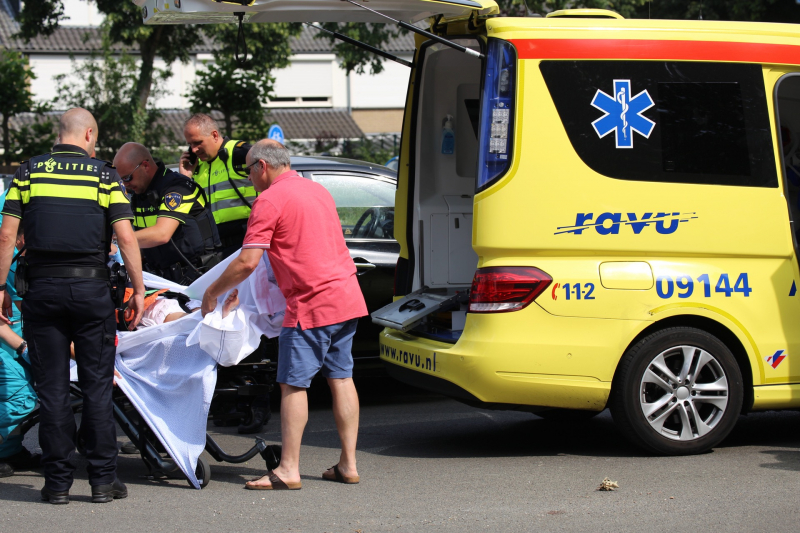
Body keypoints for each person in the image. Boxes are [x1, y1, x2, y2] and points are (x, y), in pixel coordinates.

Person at [201, 140, 367, 490]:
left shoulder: (269, 200)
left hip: (311, 303)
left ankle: (289, 469)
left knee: (293, 384)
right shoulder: (317, 190)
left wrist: (211, 292)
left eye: (247, 170)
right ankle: (348, 464)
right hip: (346, 295)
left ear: (262, 165)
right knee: (341, 378)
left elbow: (248, 262)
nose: (247, 179)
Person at [0, 108, 146, 504]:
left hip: (41, 292)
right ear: (88, 135)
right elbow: (127, 239)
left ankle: (57, 483)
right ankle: (102, 481)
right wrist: (139, 289)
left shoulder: (27, 173)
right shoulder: (104, 175)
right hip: (91, 292)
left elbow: (7, 235)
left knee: (52, 390)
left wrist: (0, 286)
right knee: (98, 388)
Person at [114, 142, 222, 285]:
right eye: (121, 181)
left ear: (145, 166)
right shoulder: (139, 196)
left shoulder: (178, 187)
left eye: (127, 178)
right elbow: (141, 244)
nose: (126, 185)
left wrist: (119, 238)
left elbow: (162, 234)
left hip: (198, 279)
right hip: (162, 281)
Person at [178, 113, 256, 257]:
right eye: (190, 144)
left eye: (197, 142)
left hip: (247, 245)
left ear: (214, 135)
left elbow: (277, 178)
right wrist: (185, 177)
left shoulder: (240, 153)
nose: (193, 149)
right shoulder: (196, 166)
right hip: (216, 250)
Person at [0, 219, 38, 478]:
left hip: (15, 333)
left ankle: (8, 451)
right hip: (8, 337)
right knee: (20, 395)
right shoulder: (12, 260)